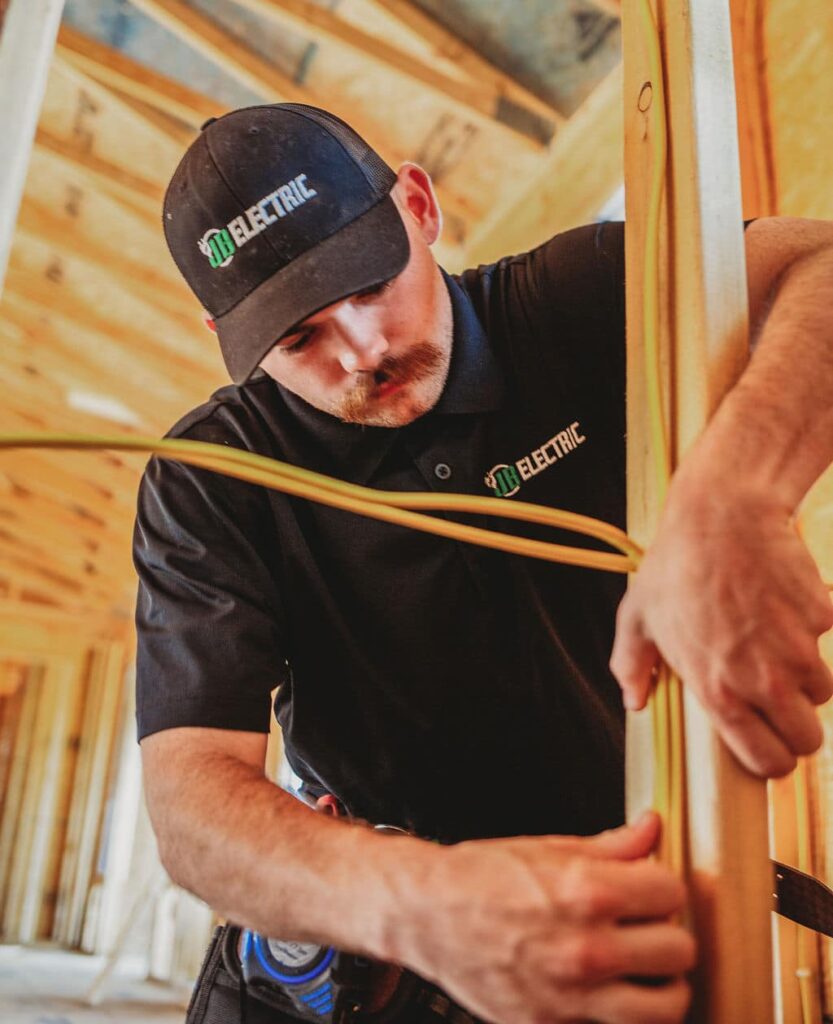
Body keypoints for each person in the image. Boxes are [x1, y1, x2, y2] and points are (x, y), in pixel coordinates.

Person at [135, 104, 833, 1024]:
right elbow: (191, 807)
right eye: (297, 338)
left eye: (369, 281)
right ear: (223, 334)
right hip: (385, 923)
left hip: (636, 895)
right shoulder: (213, 476)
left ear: (418, 207)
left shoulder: (565, 303)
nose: (363, 351)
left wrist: (733, 494)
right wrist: (422, 906)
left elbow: (820, 262)